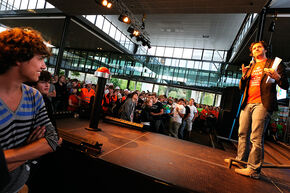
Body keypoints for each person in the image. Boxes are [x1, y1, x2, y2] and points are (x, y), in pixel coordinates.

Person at [0, 27, 62, 193]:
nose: (43, 66)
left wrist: (5, 158)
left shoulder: (34, 96)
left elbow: (53, 140)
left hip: (21, 186)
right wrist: (31, 149)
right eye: (40, 58)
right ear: (19, 57)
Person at [225, 41, 289, 179]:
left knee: (255, 137)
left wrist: (276, 77)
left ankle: (253, 170)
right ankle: (241, 161)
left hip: (262, 104)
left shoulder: (274, 64)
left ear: (265, 49)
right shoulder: (251, 66)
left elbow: (285, 85)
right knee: (242, 133)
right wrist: (243, 75)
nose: (256, 49)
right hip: (247, 103)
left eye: (259, 47)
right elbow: (242, 88)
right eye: (254, 48)